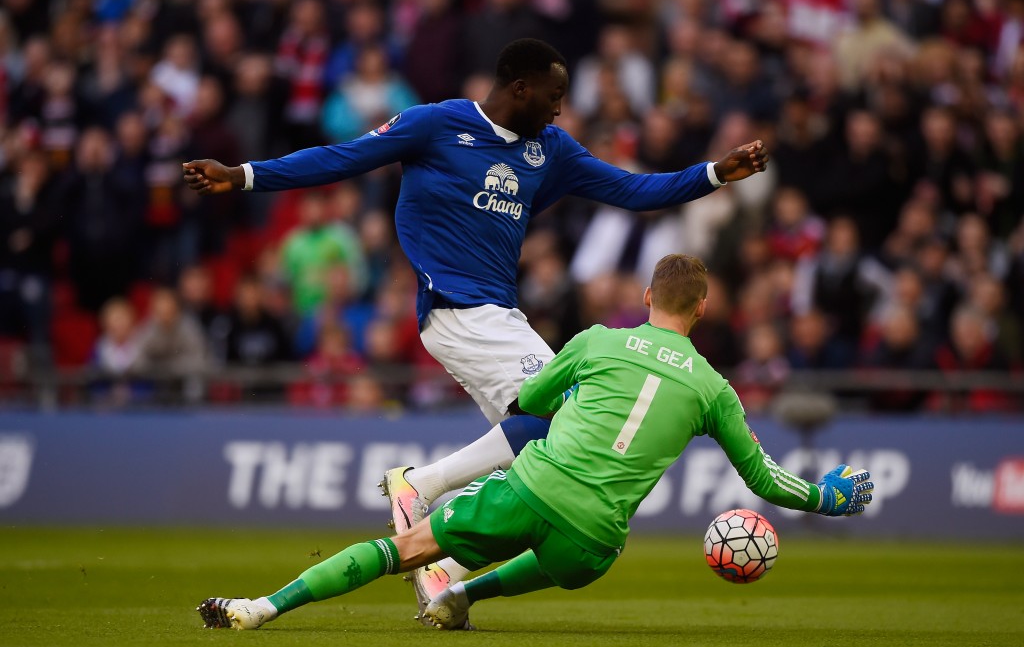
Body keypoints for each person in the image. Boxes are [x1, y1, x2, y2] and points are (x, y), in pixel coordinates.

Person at [183, 38, 769, 614]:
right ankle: (422, 484)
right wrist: (242, 175)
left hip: (495, 314)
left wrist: (715, 174)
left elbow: (633, 190)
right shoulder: (435, 125)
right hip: (459, 308)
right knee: (565, 414)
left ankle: (446, 567)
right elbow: (341, 157)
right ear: (520, 87)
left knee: (549, 447)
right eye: (554, 94)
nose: (561, 107)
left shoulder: (551, 150)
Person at [196, 254, 874, 631]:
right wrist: (828, 497)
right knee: (564, 557)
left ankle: (264, 608)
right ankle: (466, 597)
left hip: (531, 490)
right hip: (594, 545)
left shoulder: (599, 342)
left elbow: (530, 404)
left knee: (403, 550)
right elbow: (763, 480)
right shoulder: (715, 389)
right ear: (702, 309)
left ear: (646, 296)